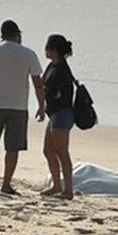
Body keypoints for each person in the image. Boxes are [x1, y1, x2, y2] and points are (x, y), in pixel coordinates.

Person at [0, 20, 45, 194]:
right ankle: (6, 184)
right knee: (12, 148)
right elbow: (38, 83)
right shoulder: (29, 54)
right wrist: (41, 105)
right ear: (17, 34)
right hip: (18, 105)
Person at [40, 34, 75, 200]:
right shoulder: (52, 66)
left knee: (62, 152)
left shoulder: (62, 70)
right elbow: (44, 84)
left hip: (62, 114)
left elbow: (53, 92)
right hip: (54, 113)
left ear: (54, 50)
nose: (45, 51)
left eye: (48, 48)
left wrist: (44, 94)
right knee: (48, 151)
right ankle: (56, 185)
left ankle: (68, 189)